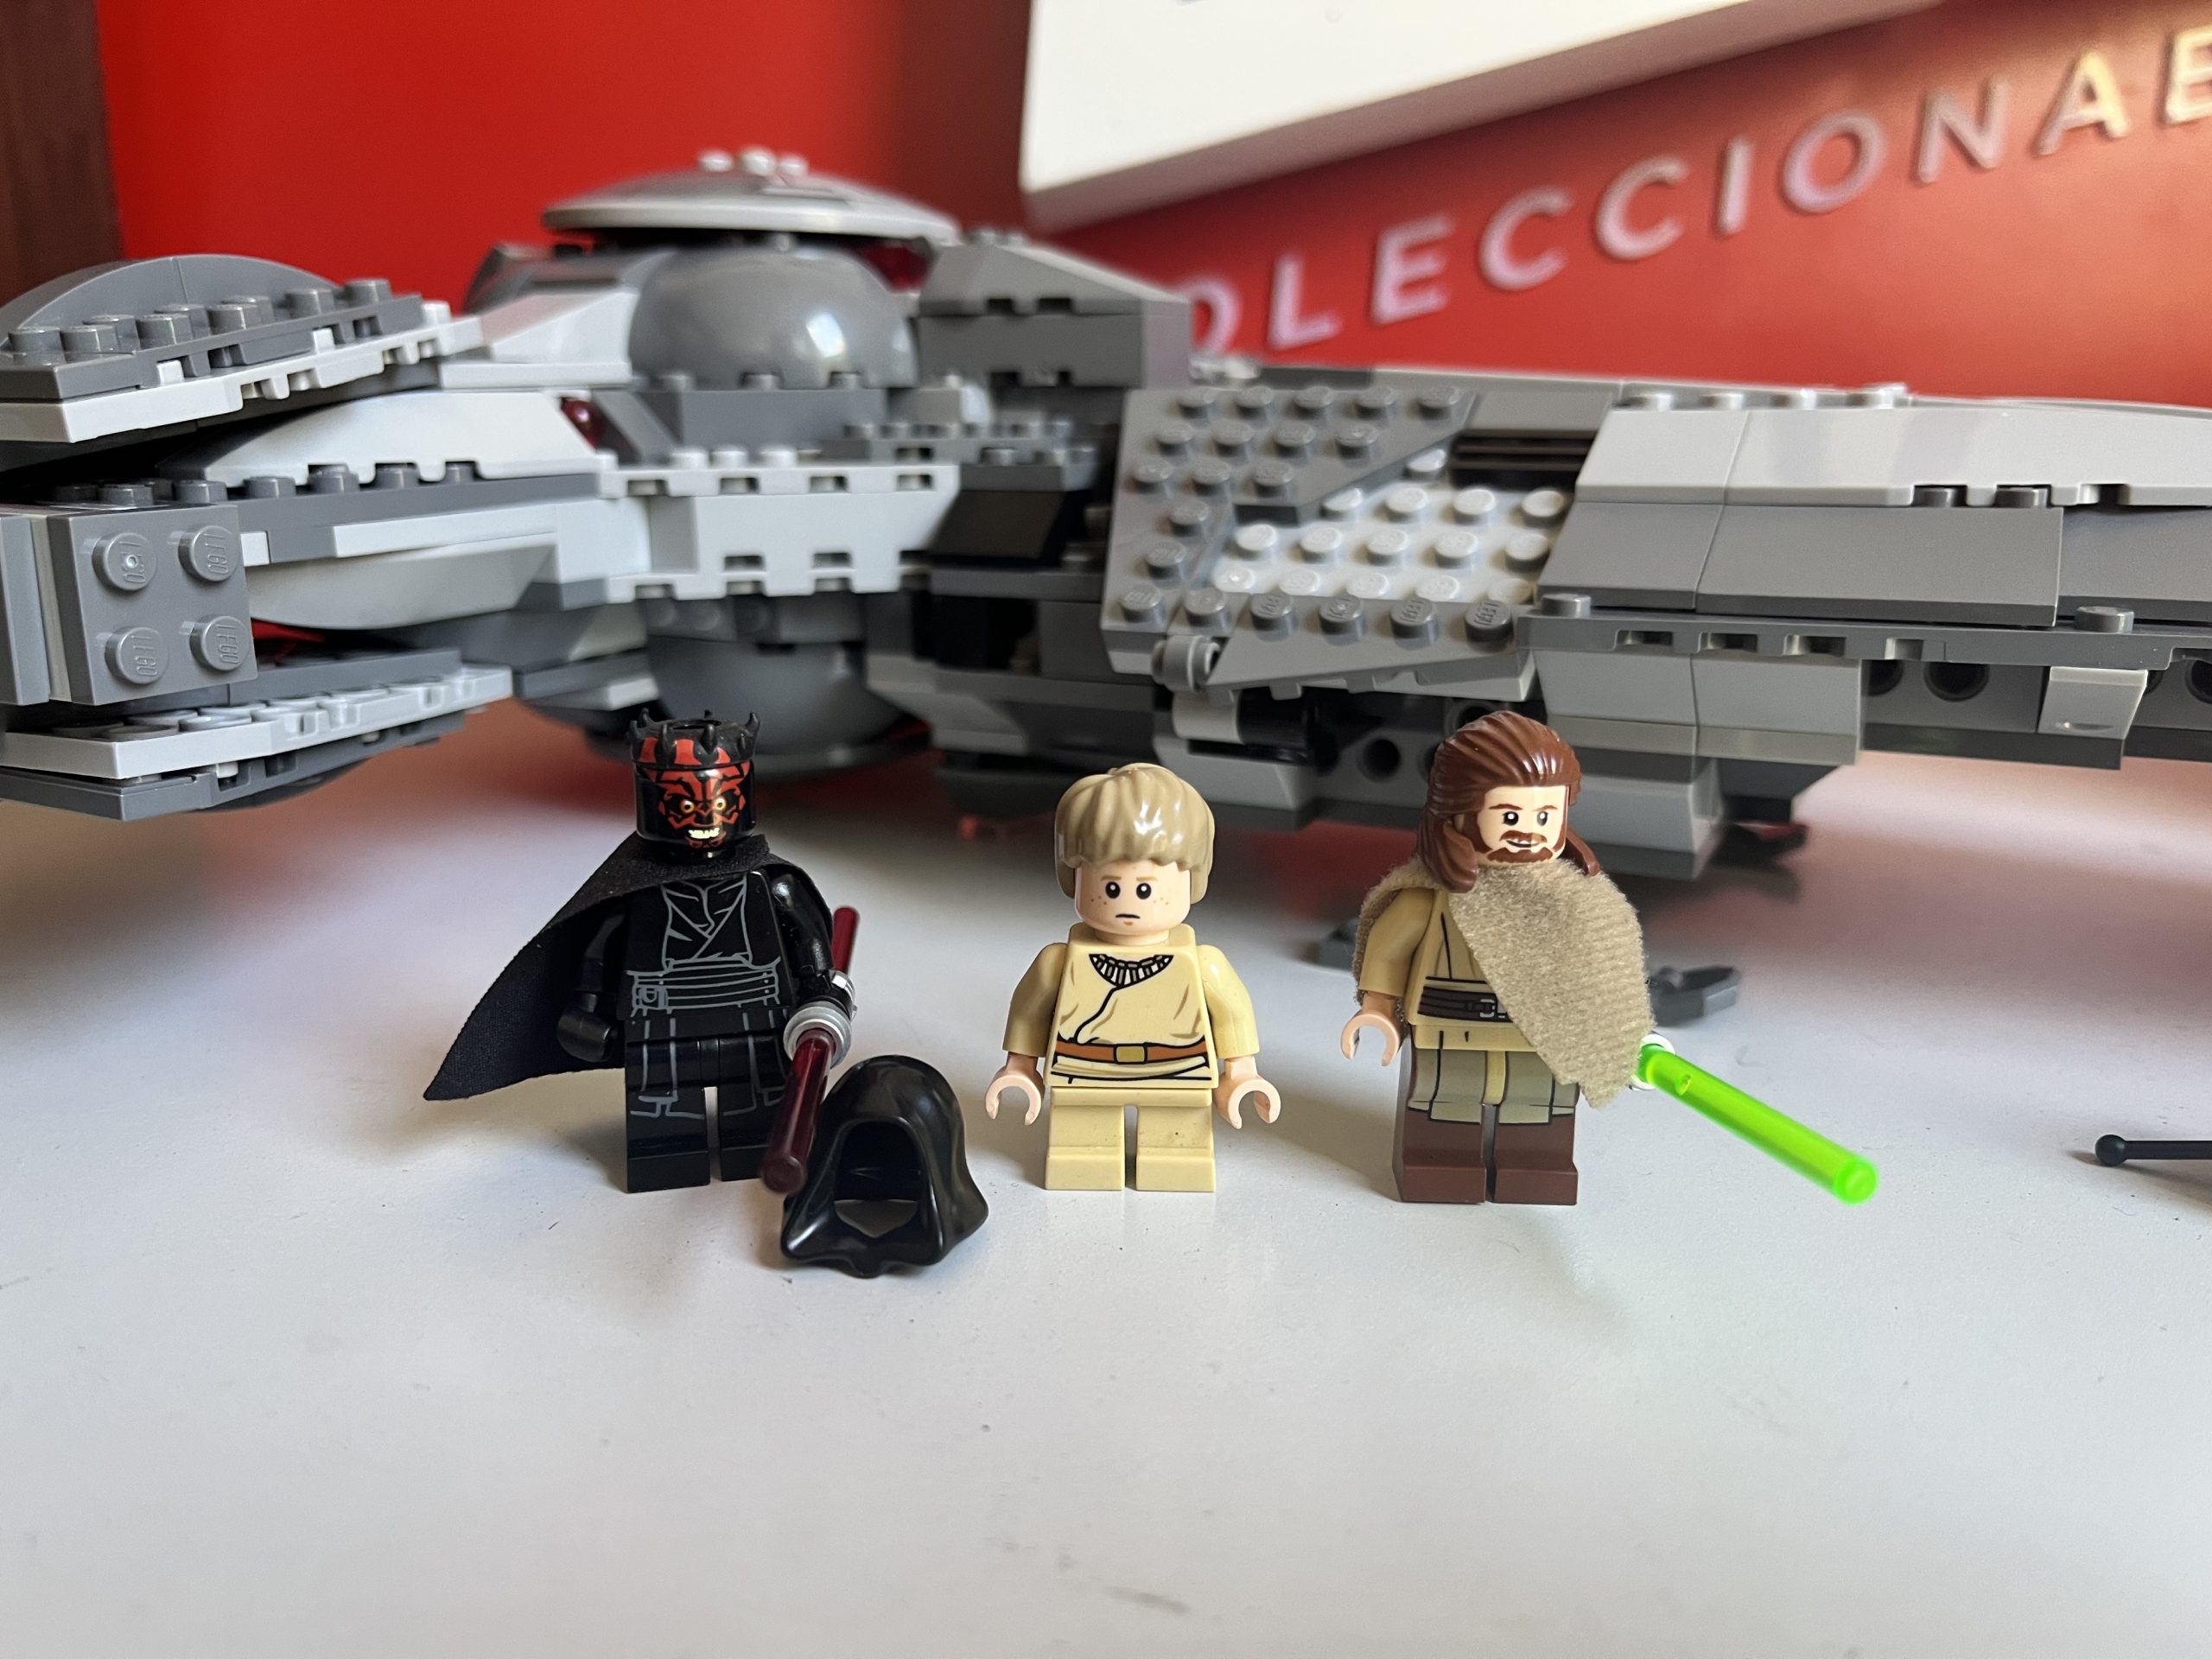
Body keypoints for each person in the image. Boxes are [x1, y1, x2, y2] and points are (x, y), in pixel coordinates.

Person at [424, 716, 851, 1193]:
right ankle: (667, 1153)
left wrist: (822, 992)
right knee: (664, 1130)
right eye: (684, 804)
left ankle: (750, 1143)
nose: (703, 816)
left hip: (756, 1023)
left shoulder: (772, 884)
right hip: (660, 1027)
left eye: (718, 801)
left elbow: (811, 946)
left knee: (757, 1120)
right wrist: (585, 1010)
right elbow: (599, 952)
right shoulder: (634, 892)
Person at [1343, 712, 1651, 1204]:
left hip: (1542, 1038)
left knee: (1540, 1105)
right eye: (1510, 817)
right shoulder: (1429, 899)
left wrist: (1622, 1032)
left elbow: (1607, 974)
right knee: (1444, 1100)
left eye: (1544, 817)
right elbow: (1390, 949)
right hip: (1448, 1029)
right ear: (1457, 815)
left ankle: (1536, 1166)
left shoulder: (1580, 904)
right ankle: (1441, 1164)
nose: (1528, 831)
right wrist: (1378, 1008)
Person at [988, 763, 1278, 1192]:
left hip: (1177, 1072)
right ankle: (1085, 1164)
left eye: (1145, 888)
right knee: (1081, 1150)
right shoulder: (1058, 962)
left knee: (1177, 1152)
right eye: (1110, 886)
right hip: (1084, 1072)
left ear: (1192, 880)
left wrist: (1240, 1073)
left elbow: (1232, 1014)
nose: (1128, 901)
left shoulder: (1203, 964)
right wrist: (1020, 1068)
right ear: (1075, 878)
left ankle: (1174, 1161)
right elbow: (1030, 1012)